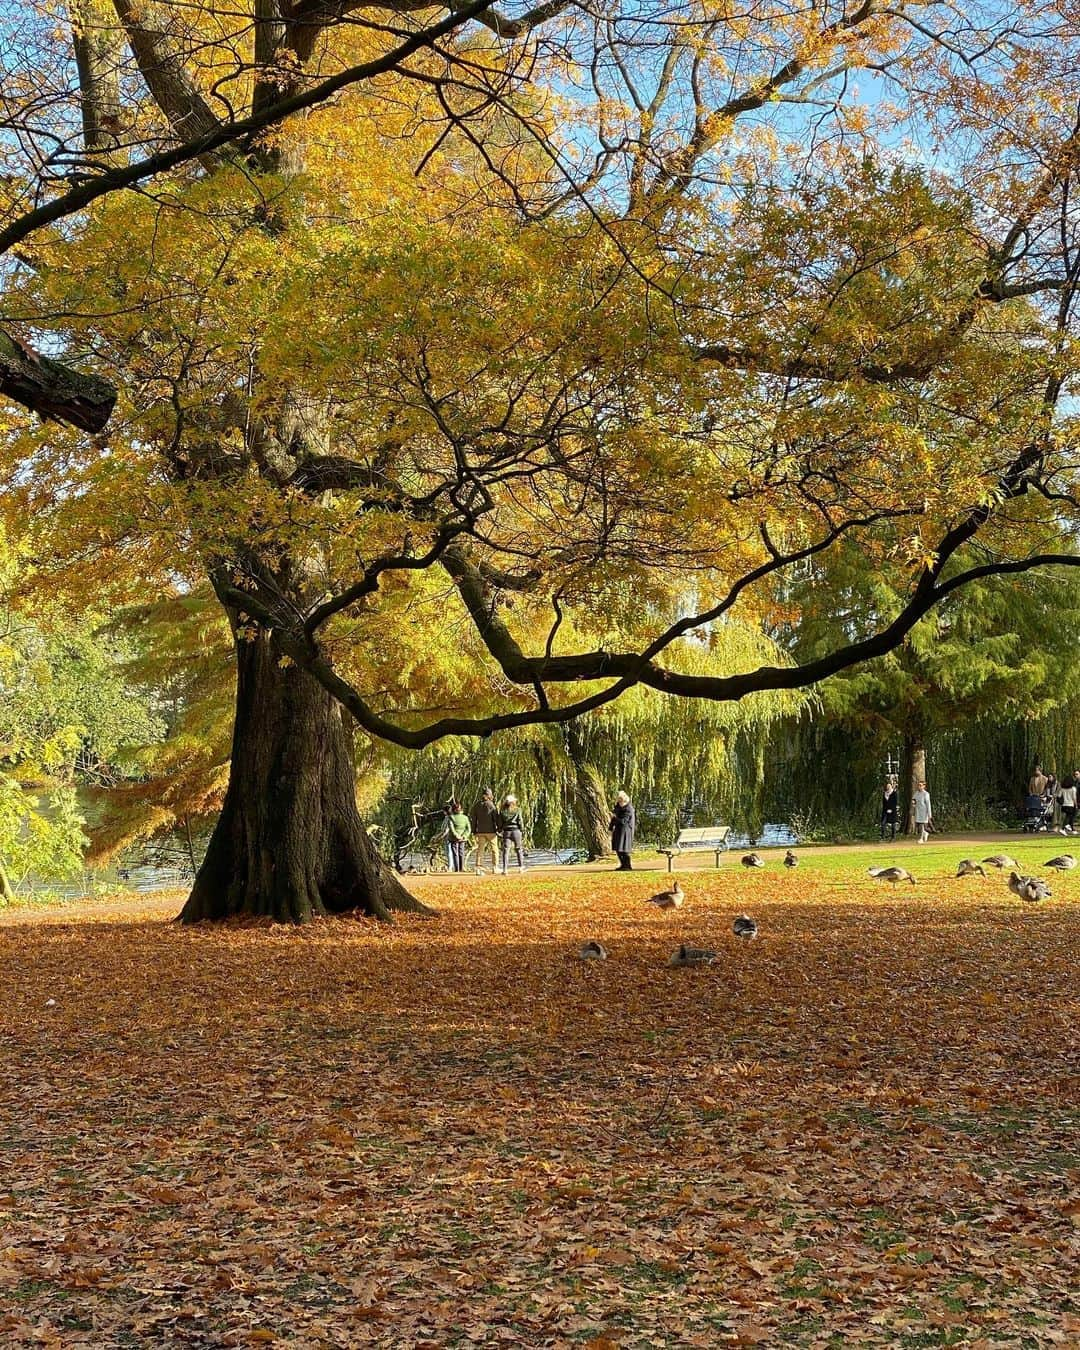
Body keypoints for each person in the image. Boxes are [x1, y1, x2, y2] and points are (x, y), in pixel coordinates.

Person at [470, 788, 500, 872]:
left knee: (480, 849)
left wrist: (474, 830)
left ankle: (478, 866)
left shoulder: (477, 805)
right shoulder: (491, 805)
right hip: (491, 831)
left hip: (480, 831)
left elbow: (474, 819)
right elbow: (496, 818)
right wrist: (499, 828)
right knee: (494, 849)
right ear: (489, 795)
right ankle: (495, 867)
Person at [498, 794, 526, 873]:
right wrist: (522, 829)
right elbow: (520, 821)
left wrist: (500, 829)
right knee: (519, 849)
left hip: (506, 832)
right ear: (513, 802)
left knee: (506, 850)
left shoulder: (502, 811)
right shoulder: (517, 810)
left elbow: (500, 823)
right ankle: (521, 867)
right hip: (516, 831)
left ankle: (505, 869)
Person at [609, 790, 636, 870]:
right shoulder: (618, 806)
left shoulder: (629, 809)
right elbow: (614, 817)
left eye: (620, 801)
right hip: (618, 829)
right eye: (618, 801)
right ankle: (622, 865)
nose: (619, 803)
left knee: (624, 849)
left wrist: (614, 817)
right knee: (618, 848)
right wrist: (610, 827)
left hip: (626, 830)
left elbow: (624, 821)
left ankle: (628, 866)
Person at [446, 801, 472, 872]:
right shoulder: (465, 818)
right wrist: (464, 836)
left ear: (453, 810)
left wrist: (457, 836)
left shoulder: (451, 817)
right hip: (463, 838)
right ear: (461, 809)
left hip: (453, 838)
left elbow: (451, 828)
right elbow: (468, 828)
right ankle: (461, 868)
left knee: (455, 853)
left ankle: (456, 869)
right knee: (461, 852)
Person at [880, 775, 899, 841]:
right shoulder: (884, 794)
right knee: (883, 824)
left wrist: (891, 809)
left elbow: (895, 802)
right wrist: (885, 810)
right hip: (885, 811)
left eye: (889, 786)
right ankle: (883, 837)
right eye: (887, 786)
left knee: (893, 824)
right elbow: (884, 803)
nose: (888, 787)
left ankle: (893, 837)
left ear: (891, 786)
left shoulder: (894, 793)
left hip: (892, 811)